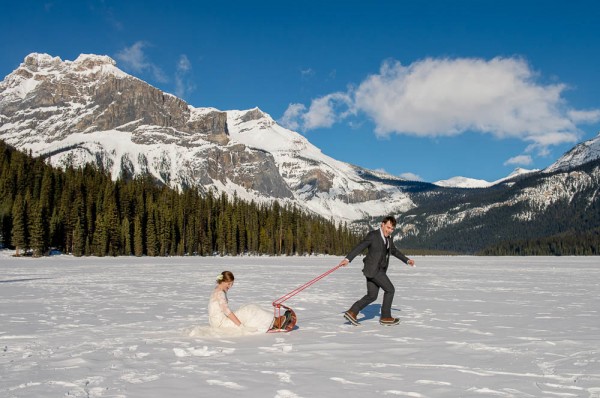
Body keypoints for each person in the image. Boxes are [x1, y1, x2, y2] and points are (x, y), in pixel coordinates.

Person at [339, 215, 415, 326]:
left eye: (392, 229)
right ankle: (385, 317)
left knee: (372, 296)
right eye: (388, 227)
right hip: (374, 270)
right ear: (382, 224)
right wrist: (348, 259)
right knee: (390, 290)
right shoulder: (373, 235)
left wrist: (407, 260)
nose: (389, 231)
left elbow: (394, 251)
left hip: (375, 270)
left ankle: (352, 312)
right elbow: (360, 247)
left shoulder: (389, 239)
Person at [208, 271, 293, 333]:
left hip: (216, 323)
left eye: (232, 284)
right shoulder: (220, 293)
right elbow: (227, 311)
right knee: (250, 309)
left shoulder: (217, 289)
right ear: (223, 281)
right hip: (222, 324)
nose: (230, 286)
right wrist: (241, 326)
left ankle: (273, 321)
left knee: (247, 308)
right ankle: (277, 322)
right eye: (228, 284)